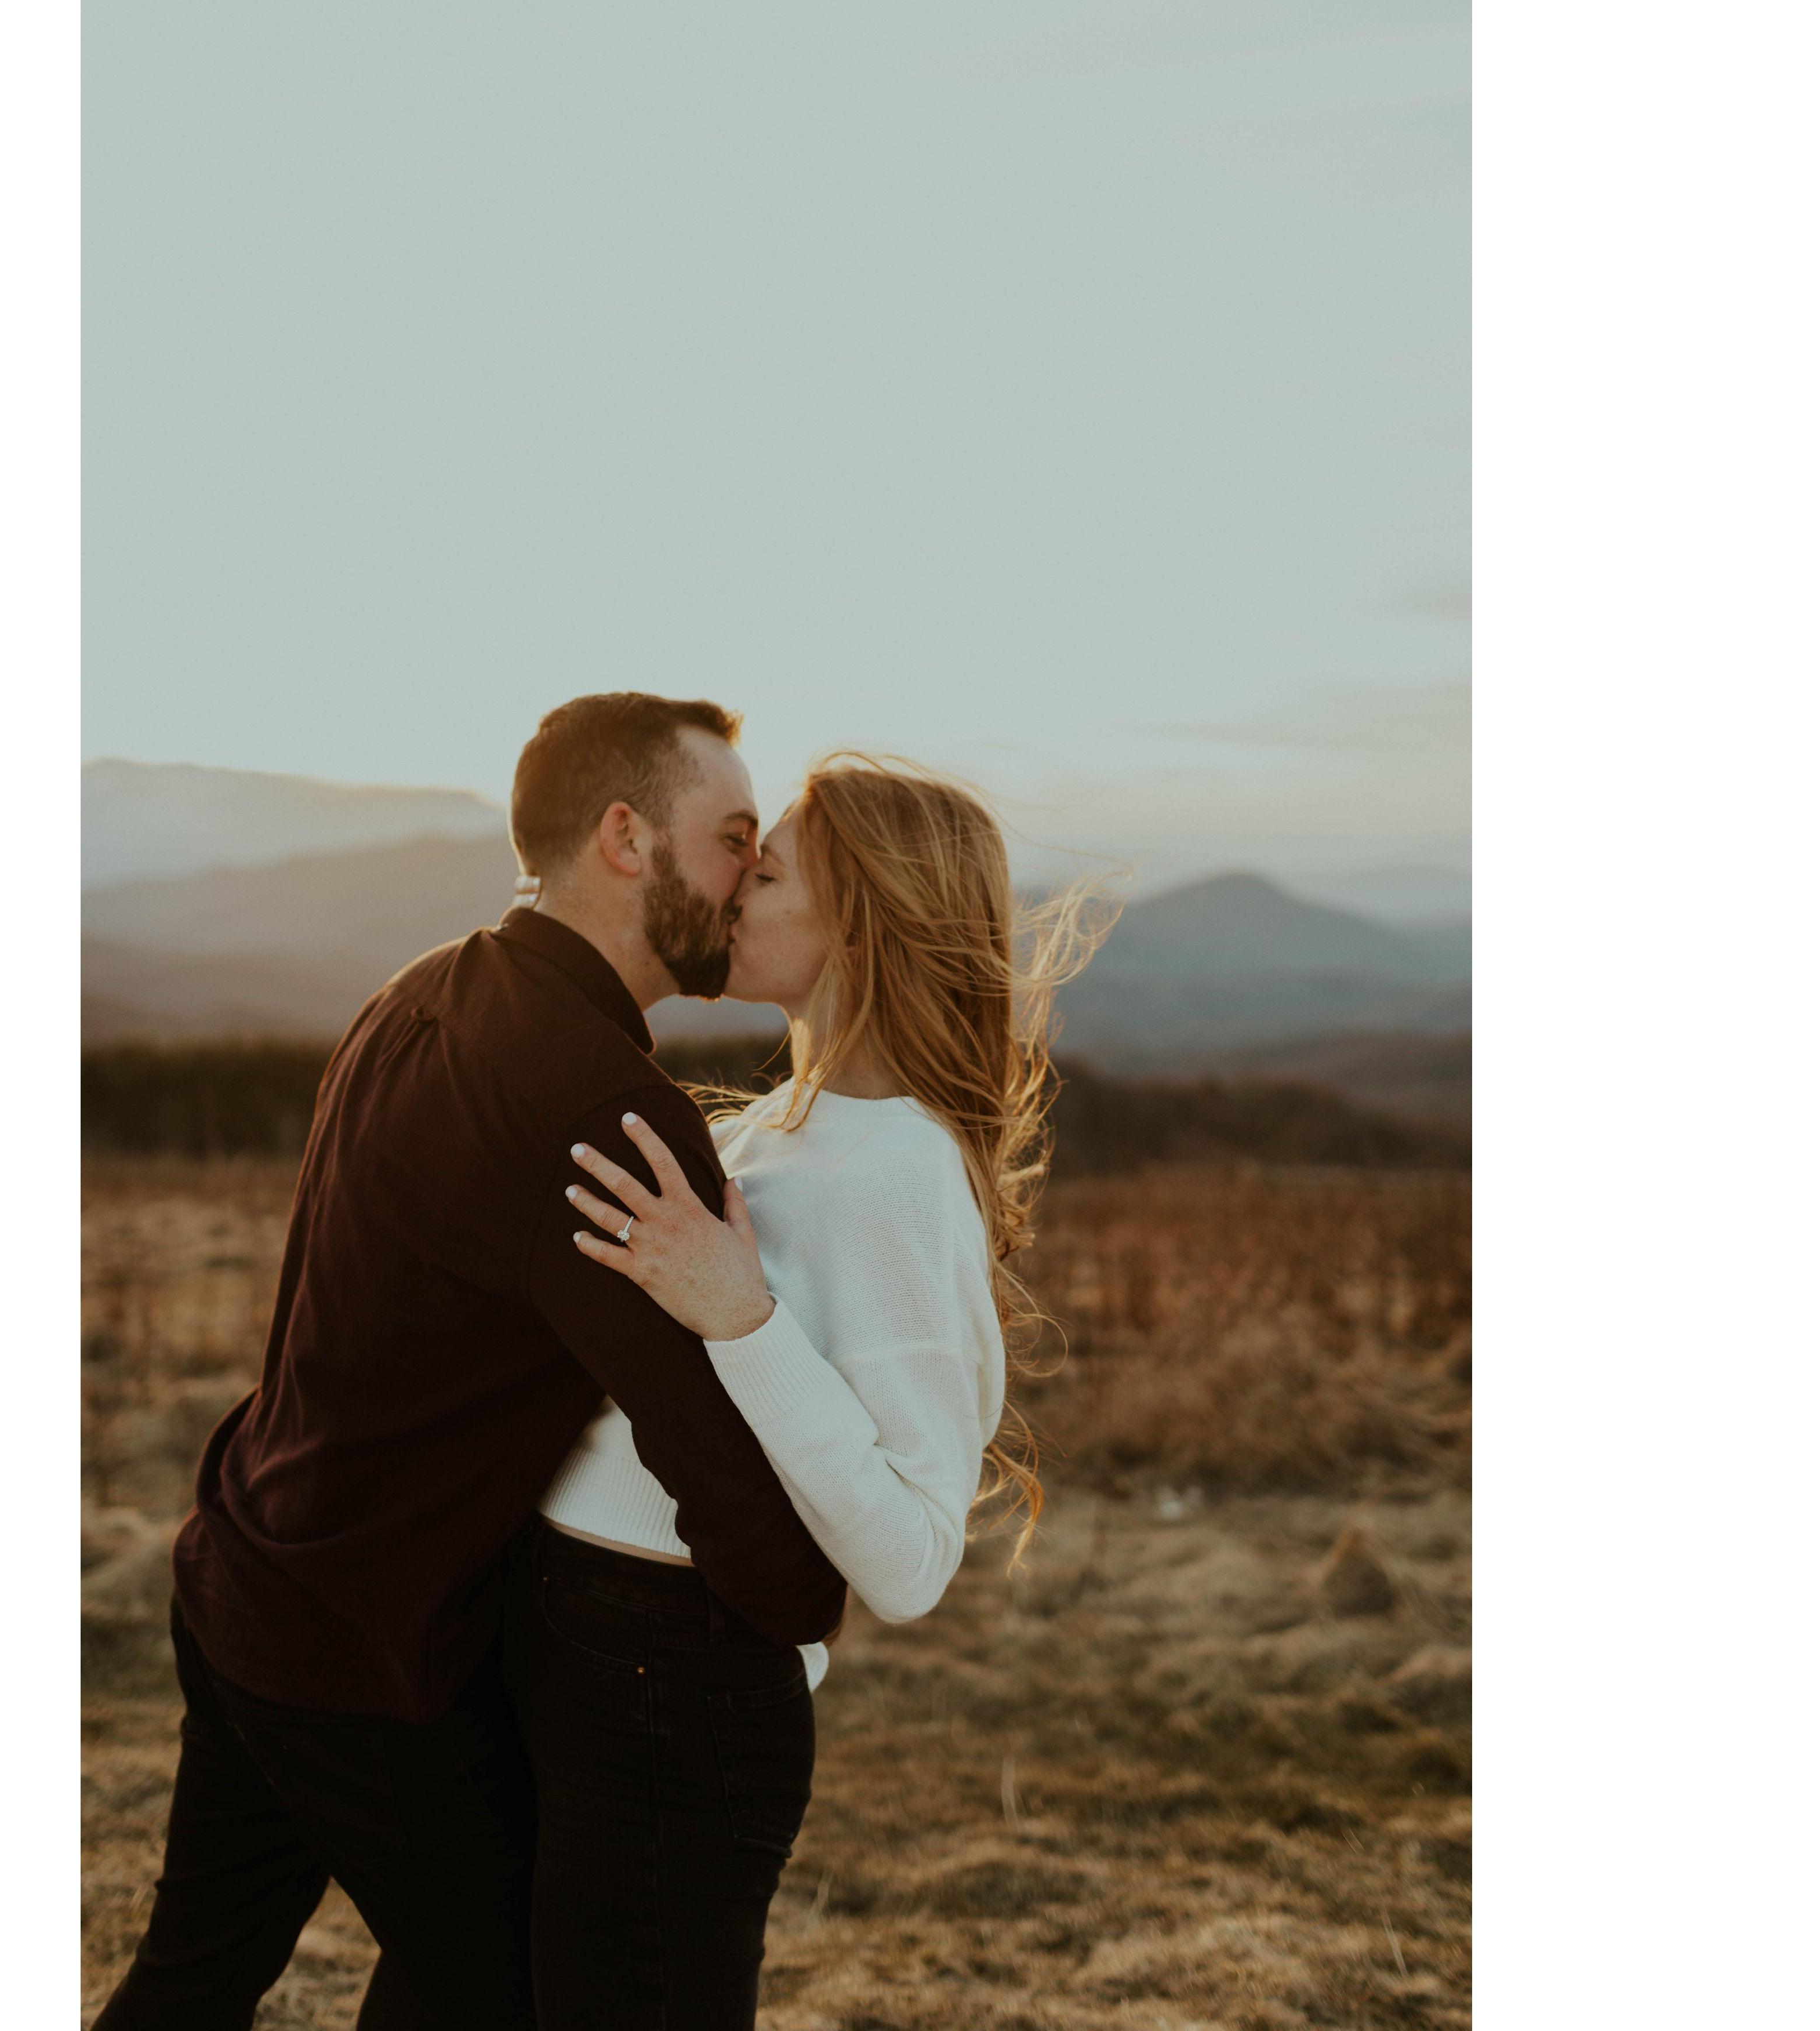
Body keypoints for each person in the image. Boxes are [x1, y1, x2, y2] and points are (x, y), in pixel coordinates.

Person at [89, 693, 847, 2031]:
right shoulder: (599, 1103)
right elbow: (694, 1424)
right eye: (731, 835)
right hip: (358, 1651)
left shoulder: (422, 988)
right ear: (626, 837)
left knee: (194, 1985)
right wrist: (802, 1599)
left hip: (245, 1569)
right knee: (500, 1988)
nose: (750, 873)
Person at [508, 751, 1099, 2030]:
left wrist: (743, 1316)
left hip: (681, 1700)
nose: (729, 889)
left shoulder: (899, 1176)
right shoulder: (764, 1131)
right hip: (587, 1654)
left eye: (764, 871)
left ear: (864, 923)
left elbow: (909, 1558)